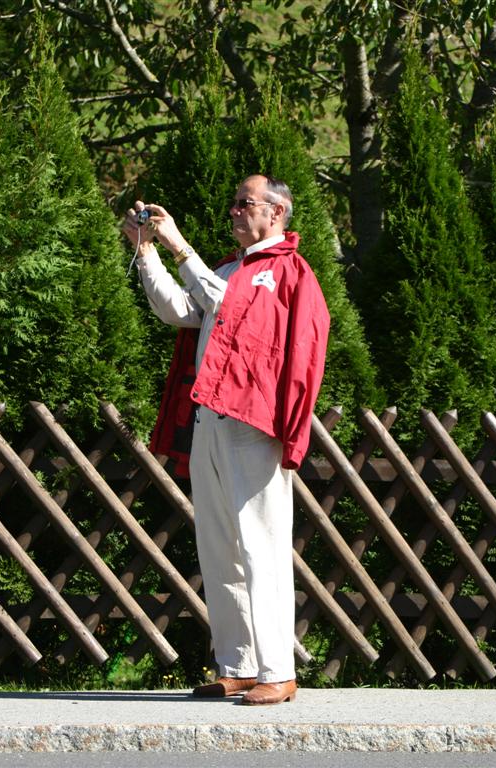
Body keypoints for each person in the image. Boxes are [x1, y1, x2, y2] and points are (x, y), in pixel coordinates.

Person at [123, 174, 330, 705]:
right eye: (234, 202)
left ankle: (278, 669)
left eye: (246, 203)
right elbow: (179, 312)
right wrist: (146, 253)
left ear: (277, 212)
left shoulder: (286, 271)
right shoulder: (229, 269)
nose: (235, 210)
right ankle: (237, 664)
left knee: (261, 545)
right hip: (211, 419)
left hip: (254, 422)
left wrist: (179, 246)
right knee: (218, 546)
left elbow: (236, 312)